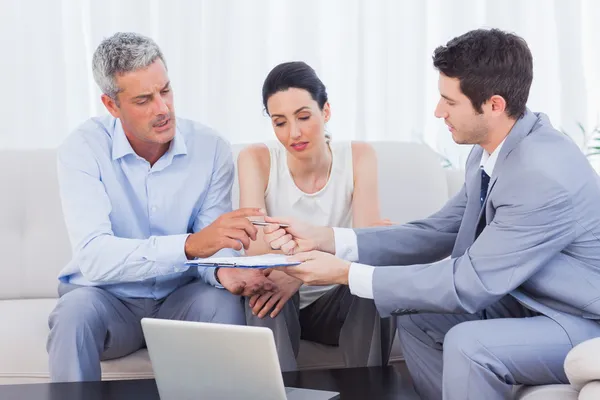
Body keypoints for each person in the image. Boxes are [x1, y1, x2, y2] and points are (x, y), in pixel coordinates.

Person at [263, 29, 600, 399]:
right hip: (526, 302)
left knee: (470, 344)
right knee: (418, 317)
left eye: (449, 102)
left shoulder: (540, 173)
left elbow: (467, 284)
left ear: (494, 104)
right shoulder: (491, 148)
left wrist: (345, 274)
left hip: (579, 321)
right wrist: (325, 238)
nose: (438, 112)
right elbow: (437, 231)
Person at [47, 32, 274, 382]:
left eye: (165, 90)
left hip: (179, 298)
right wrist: (190, 245)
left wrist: (221, 271)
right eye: (143, 100)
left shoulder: (211, 148)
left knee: (223, 305)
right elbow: (94, 256)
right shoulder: (82, 149)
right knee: (73, 314)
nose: (163, 109)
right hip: (108, 299)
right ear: (111, 106)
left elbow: (213, 247)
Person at [237, 61, 390, 371]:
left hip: (336, 300)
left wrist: (294, 269)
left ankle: (368, 389)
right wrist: (297, 268)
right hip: (278, 299)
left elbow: (366, 242)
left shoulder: (359, 156)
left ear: (326, 112)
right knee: (260, 282)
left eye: (304, 117)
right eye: (280, 122)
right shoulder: (255, 158)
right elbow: (254, 247)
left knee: (378, 275)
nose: (293, 133)